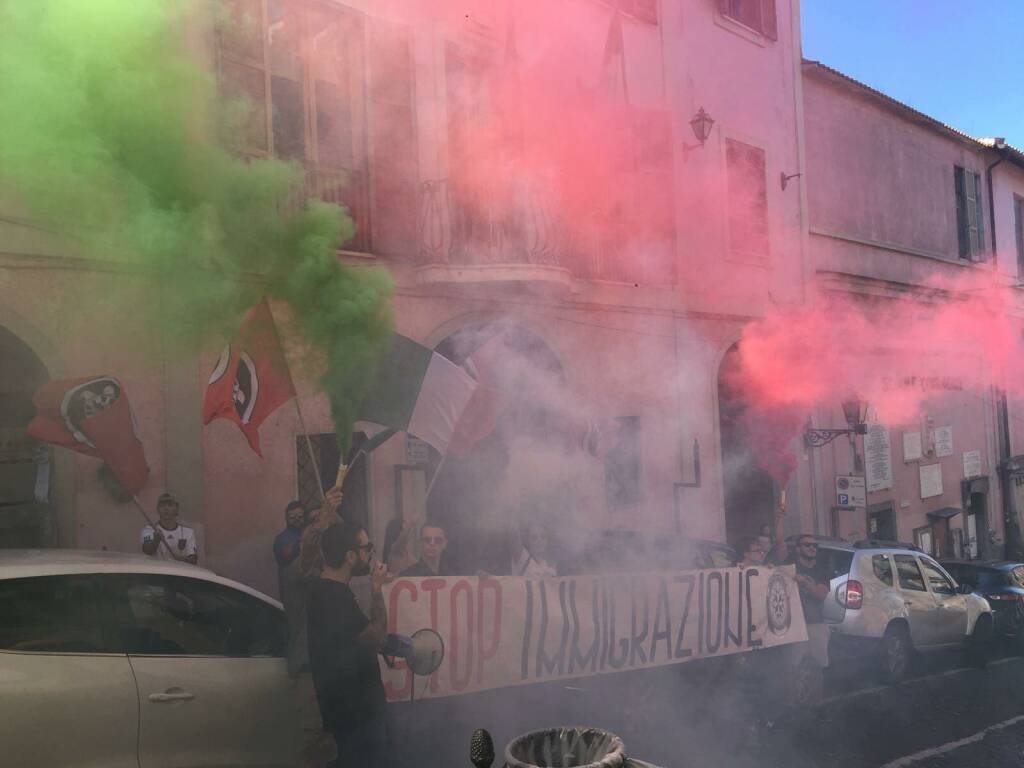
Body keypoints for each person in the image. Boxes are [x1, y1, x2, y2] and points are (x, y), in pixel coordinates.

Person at [307, 521, 392, 767]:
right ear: (350, 556)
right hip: (356, 714)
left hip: (344, 711)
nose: (371, 553)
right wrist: (377, 589)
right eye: (367, 548)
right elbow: (379, 639)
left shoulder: (321, 587)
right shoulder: (335, 599)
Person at [140, 492, 197, 564]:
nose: (166, 508)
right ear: (157, 509)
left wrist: (183, 560)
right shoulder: (148, 530)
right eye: (163, 505)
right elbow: (146, 551)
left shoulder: (188, 532)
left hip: (179, 572)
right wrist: (156, 540)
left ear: (176, 509)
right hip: (158, 572)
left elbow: (193, 559)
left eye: (170, 505)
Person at [273, 500, 307, 599]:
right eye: (292, 517)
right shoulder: (281, 539)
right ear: (286, 518)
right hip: (292, 592)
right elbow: (284, 558)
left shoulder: (310, 533)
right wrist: (302, 544)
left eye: (300, 517)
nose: (296, 519)